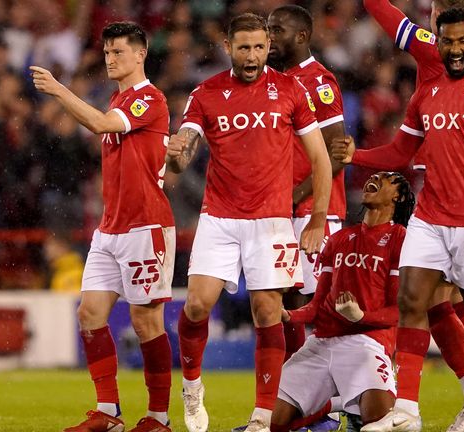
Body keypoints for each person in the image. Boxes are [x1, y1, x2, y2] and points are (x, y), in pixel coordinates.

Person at [332, 8, 464, 432]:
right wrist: (356, 155)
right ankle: (407, 411)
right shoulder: (426, 92)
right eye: (446, 42)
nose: (454, 49)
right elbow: (401, 153)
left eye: (461, 42)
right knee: (412, 300)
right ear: (437, 43)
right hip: (430, 216)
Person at [166, 13, 333, 432]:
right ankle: (191, 387)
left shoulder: (290, 90)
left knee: (267, 311)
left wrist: (315, 218)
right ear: (228, 47)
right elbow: (187, 143)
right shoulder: (206, 93)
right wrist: (177, 153)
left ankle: (262, 416)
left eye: (259, 47)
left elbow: (320, 158)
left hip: (272, 221)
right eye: (244, 47)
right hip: (220, 217)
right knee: (197, 304)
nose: (253, 56)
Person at [30, 21, 175, 432]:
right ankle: (109, 413)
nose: (111, 59)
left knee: (147, 322)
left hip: (145, 226)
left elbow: (101, 125)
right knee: (90, 313)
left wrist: (59, 90)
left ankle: (159, 418)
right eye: (107, 53)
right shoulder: (118, 98)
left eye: (119, 52)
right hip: (110, 227)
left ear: (140, 54)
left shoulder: (149, 98)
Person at [272, 171, 415, 432]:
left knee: (379, 424)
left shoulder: (401, 239)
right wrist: (287, 315)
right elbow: (317, 306)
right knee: (273, 422)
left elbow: (402, 311)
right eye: (375, 175)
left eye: (386, 178)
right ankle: (333, 406)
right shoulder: (340, 238)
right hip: (322, 342)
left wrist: (361, 318)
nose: (376, 177)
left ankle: (340, 404)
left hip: (367, 343)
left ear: (398, 195)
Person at [267, 2, 348, 366]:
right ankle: (296, 404)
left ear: (301, 36)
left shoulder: (319, 81)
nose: (269, 38)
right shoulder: (275, 81)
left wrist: (294, 195)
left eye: (277, 30)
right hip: (283, 209)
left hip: (317, 209)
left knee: (314, 305)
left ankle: (329, 407)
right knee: (284, 302)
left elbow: (336, 154)